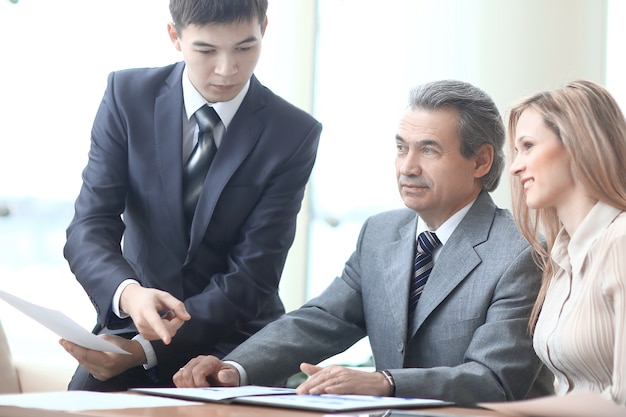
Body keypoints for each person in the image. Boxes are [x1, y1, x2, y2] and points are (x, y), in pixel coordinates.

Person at [173, 80, 555, 405]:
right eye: (401, 147)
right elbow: (320, 321)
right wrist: (234, 368)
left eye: (429, 150)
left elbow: (495, 379)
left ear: (480, 162)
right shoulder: (380, 233)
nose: (407, 167)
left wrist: (385, 382)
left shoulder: (521, 252)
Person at [60, 0, 322, 392]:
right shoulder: (126, 96)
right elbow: (90, 226)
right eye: (206, 50)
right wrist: (129, 295)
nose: (227, 68)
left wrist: (147, 351)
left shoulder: (292, 133)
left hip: (236, 341)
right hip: (133, 326)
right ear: (175, 37)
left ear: (264, 29)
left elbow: (253, 275)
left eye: (244, 48)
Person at [508, 80, 626, 406]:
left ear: (577, 144)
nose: (516, 166)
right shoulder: (559, 258)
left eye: (528, 146)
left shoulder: (620, 243)